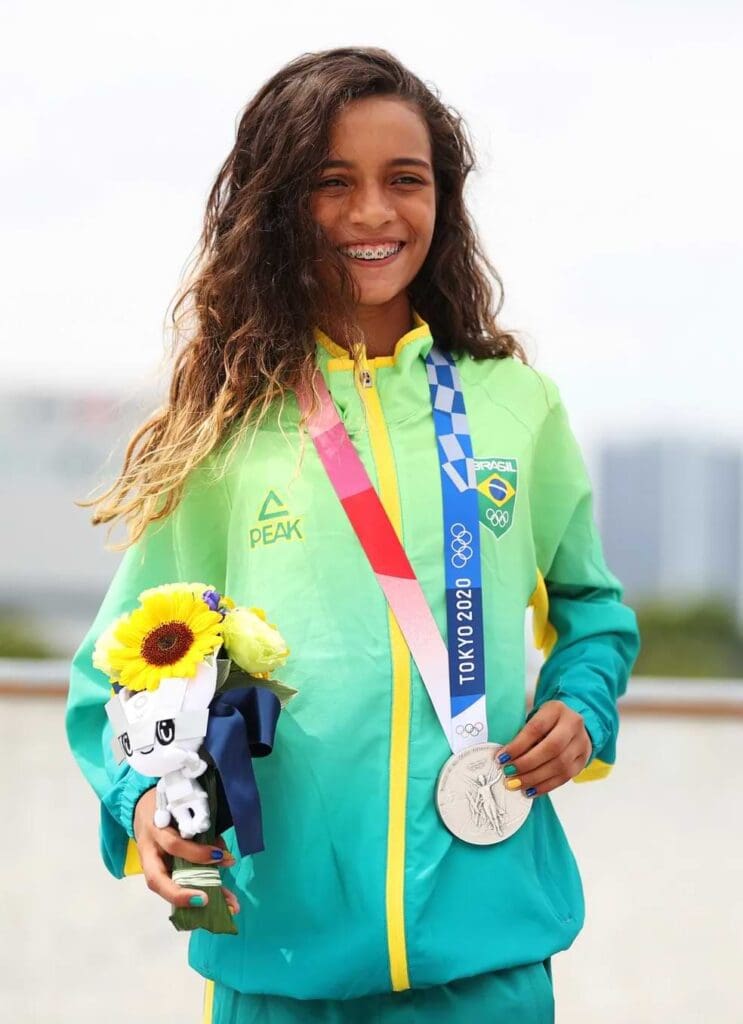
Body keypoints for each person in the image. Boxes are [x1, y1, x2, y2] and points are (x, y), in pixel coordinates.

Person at [66, 46, 640, 1024]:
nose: (374, 214)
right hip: (281, 970)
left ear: (441, 202)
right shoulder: (228, 431)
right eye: (334, 184)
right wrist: (144, 801)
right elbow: (115, 674)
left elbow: (592, 612)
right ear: (281, 205)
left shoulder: (512, 408)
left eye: (403, 180)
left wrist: (581, 703)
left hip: (490, 961)